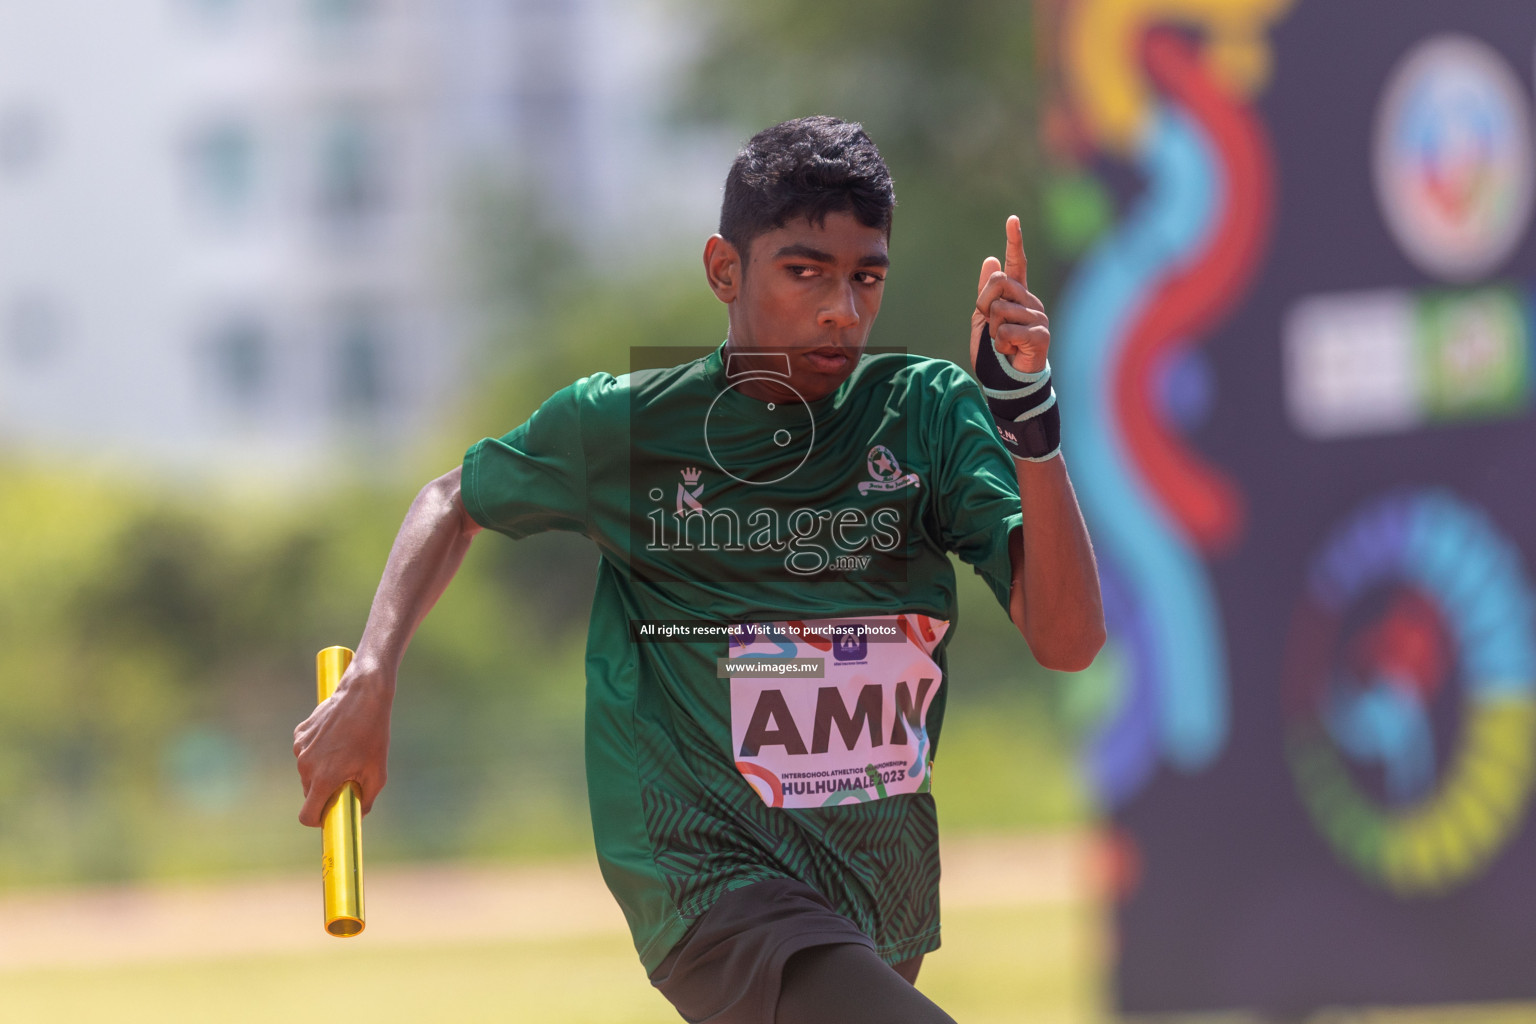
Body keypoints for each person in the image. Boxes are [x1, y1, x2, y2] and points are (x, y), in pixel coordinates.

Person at [293, 115, 1104, 1024]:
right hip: (704, 876)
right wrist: (372, 676)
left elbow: (1068, 641)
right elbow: (454, 499)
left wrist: (1026, 415)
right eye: (807, 273)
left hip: (879, 883)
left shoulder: (925, 411)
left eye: (866, 277)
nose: (843, 308)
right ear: (726, 269)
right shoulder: (630, 429)